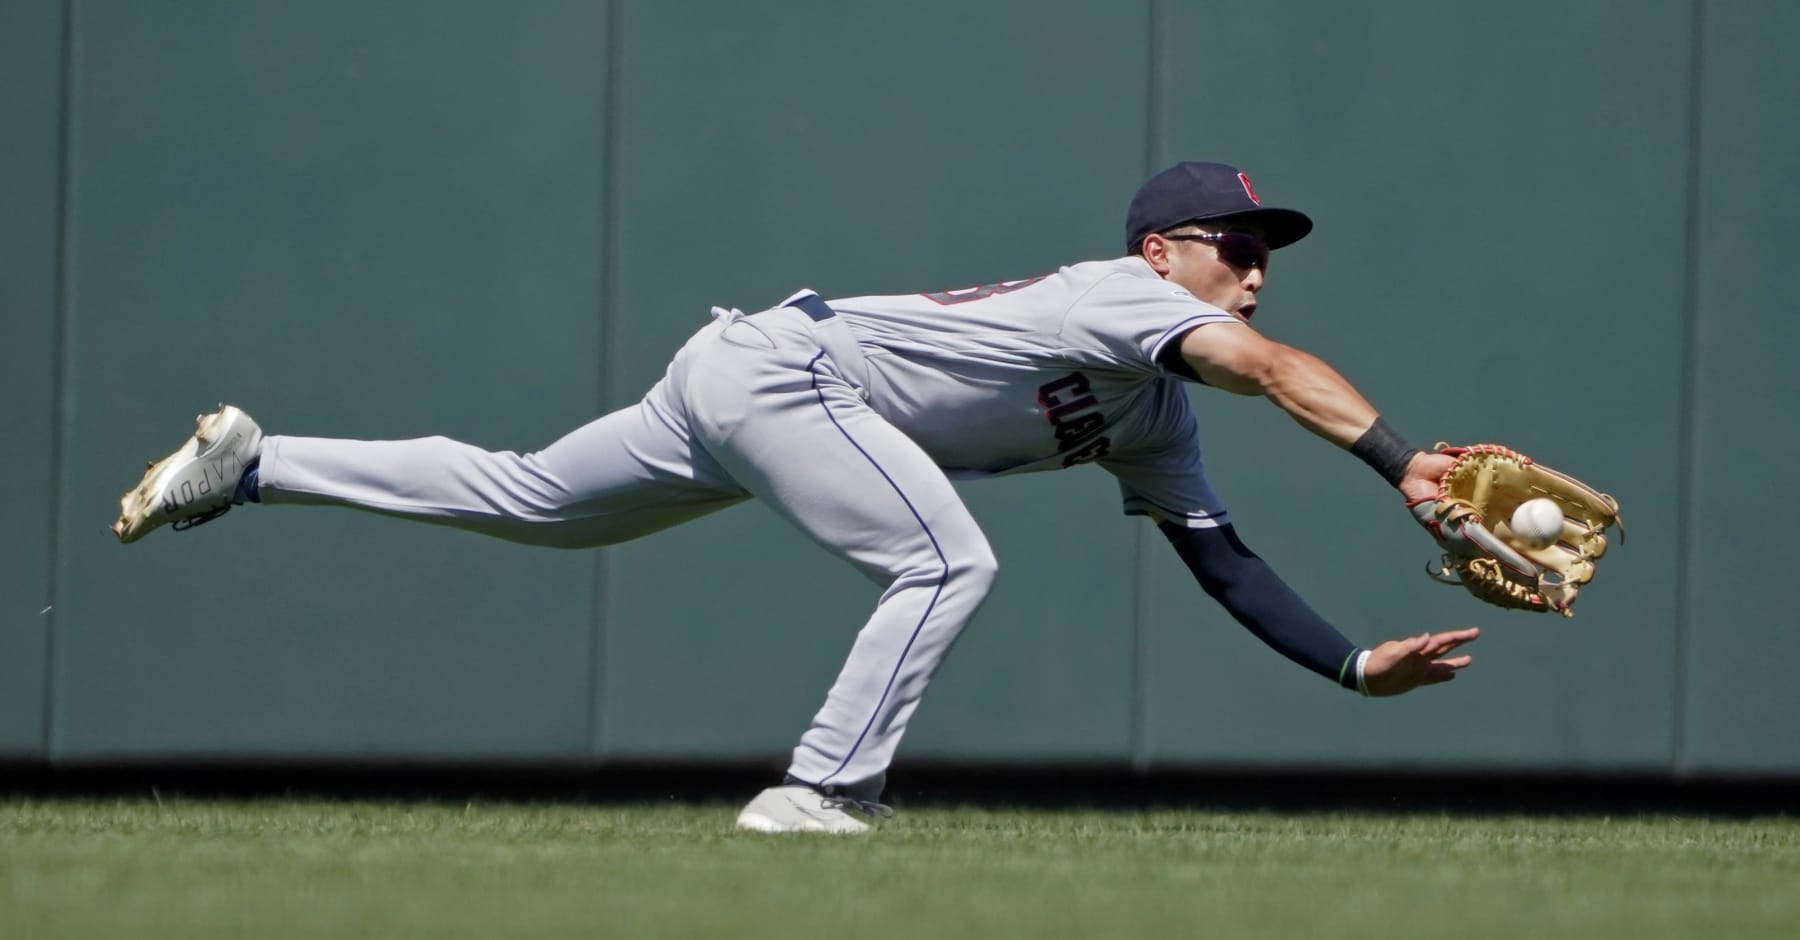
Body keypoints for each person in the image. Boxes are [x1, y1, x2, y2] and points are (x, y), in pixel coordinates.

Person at [112, 161, 1479, 834]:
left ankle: (261, 462)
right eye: (1234, 246)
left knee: (531, 499)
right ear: (1159, 249)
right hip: (785, 375)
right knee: (949, 566)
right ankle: (822, 792)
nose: (1253, 269)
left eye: (1266, 254)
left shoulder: (1160, 413)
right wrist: (1404, 462)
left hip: (755, 377)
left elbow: (1219, 558)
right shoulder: (1125, 297)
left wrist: (1357, 669)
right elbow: (1282, 373)